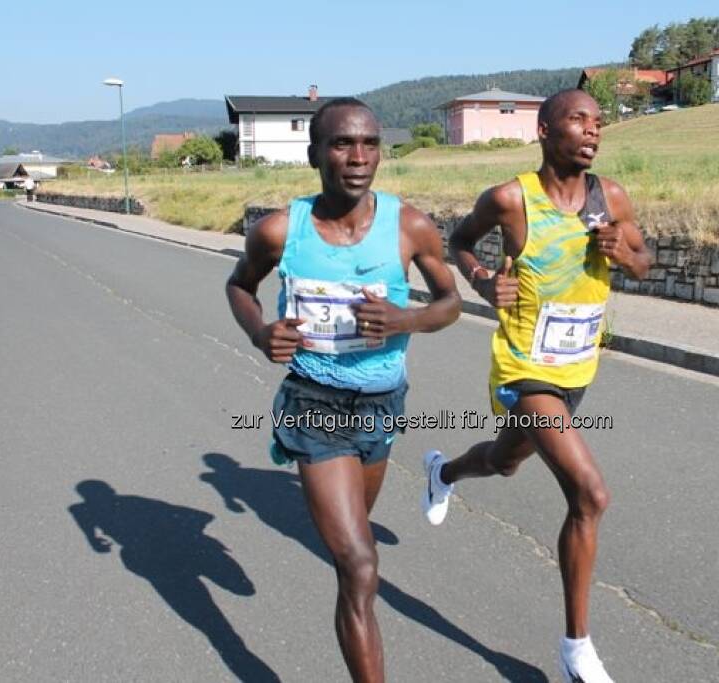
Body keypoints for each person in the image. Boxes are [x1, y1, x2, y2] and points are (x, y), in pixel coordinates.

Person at [225, 97, 460, 683]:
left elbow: (451, 302)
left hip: (382, 405)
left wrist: (406, 320)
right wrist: (262, 333)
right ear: (315, 154)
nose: (358, 158)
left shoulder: (409, 226)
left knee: (354, 567)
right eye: (341, 144)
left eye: (369, 144)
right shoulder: (283, 230)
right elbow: (239, 287)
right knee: (359, 561)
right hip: (316, 403)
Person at [423, 88, 652, 683]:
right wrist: (479, 280)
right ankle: (576, 648)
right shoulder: (509, 200)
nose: (592, 131)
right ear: (545, 130)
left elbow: (644, 261)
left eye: (599, 123)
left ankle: (442, 472)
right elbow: (459, 243)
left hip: (578, 370)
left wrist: (621, 251)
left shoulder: (613, 197)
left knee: (502, 462)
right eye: (578, 120)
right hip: (524, 368)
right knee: (590, 494)